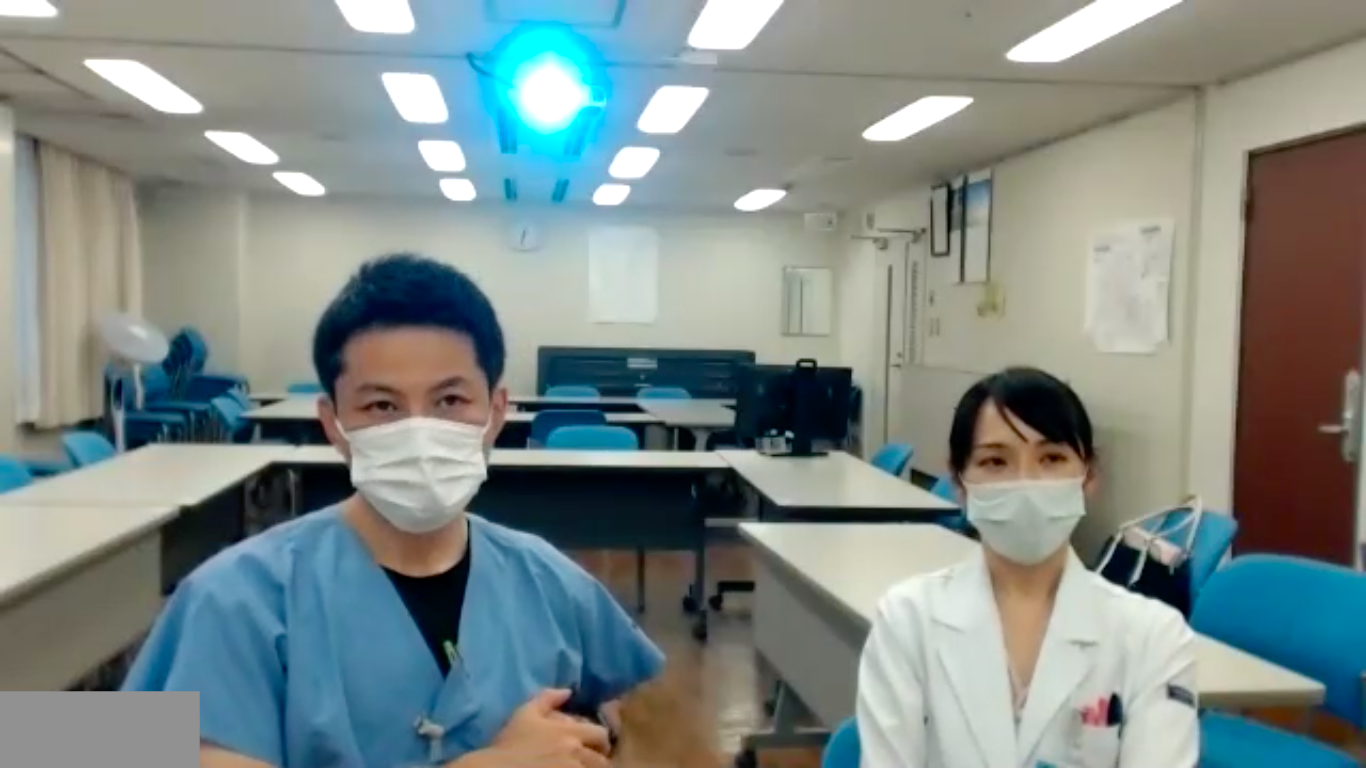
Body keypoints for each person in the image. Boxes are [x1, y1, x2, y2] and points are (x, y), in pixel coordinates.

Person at [124, 254, 670, 768]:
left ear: (496, 412)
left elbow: (610, 704)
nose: (418, 430)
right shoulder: (233, 601)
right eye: (382, 405)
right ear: (334, 423)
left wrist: (590, 730)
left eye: (450, 401)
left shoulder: (548, 581)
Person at [856, 367, 1198, 768]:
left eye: (1051, 458)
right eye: (995, 461)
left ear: (1089, 477)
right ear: (960, 483)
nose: (1026, 484)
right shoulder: (907, 619)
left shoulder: (1155, 637)